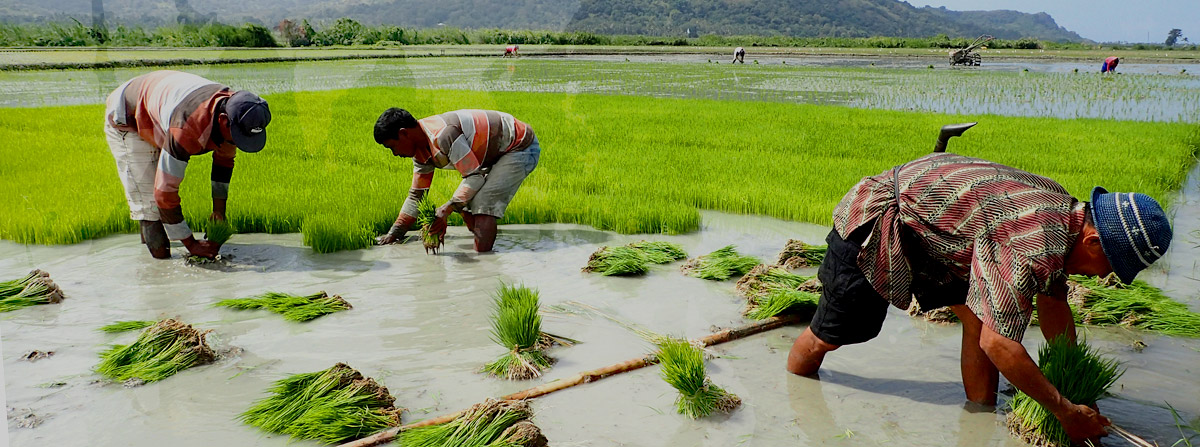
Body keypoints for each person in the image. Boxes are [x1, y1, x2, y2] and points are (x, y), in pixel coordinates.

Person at [786, 152, 1172, 445]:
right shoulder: (1031, 243)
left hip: (948, 238)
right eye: (1109, 266)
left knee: (976, 319)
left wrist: (1070, 385)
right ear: (1091, 241)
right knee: (831, 335)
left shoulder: (1066, 219)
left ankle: (979, 413)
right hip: (878, 221)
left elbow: (1055, 307)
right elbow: (1000, 344)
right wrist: (1064, 411)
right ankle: (794, 399)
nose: (1104, 277)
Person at [104, 70, 272, 259]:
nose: (238, 142)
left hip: (159, 103)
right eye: (238, 137)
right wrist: (191, 244)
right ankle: (159, 271)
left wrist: (218, 212)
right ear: (223, 121)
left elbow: (224, 162)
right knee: (150, 206)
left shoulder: (237, 111)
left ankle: (155, 259)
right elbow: (164, 194)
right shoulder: (187, 127)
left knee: (159, 199)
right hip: (128, 115)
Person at [373, 108, 541, 252]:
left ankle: (483, 267)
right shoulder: (420, 154)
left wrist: (446, 209)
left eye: (392, 147)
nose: (394, 153)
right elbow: (416, 196)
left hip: (519, 146)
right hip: (491, 153)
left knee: (483, 203)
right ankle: (485, 246)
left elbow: (474, 177)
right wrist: (393, 235)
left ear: (404, 133)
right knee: (466, 206)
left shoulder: (443, 135)